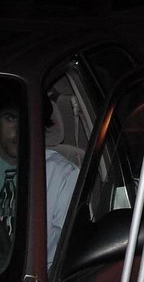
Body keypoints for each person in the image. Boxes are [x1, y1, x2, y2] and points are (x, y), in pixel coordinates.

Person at [0, 89, 79, 270]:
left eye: (27, 119)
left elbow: (68, 253)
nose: (20, 129)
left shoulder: (62, 175)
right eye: (11, 118)